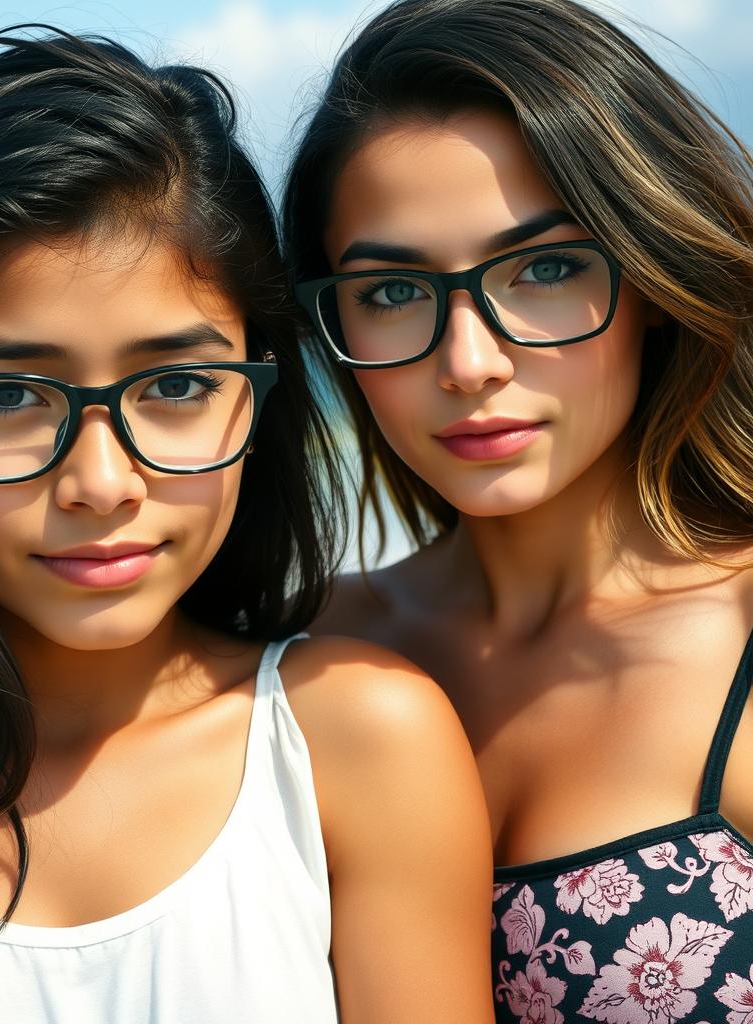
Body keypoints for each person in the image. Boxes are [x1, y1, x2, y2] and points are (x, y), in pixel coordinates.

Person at [0, 27, 494, 1024]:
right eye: (6, 396)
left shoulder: (352, 743)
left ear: (259, 401)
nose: (101, 481)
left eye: (177, 384)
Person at [284, 0, 753, 1019]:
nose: (468, 364)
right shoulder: (298, 653)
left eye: (544, 269)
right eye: (395, 290)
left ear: (652, 276)